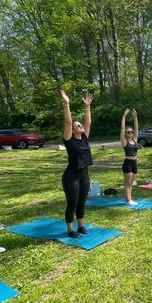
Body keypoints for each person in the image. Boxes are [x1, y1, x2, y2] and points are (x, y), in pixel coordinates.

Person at [60, 90, 93, 238]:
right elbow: (68, 122)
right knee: (72, 203)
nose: (80, 126)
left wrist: (87, 107)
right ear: (72, 131)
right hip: (71, 176)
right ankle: (70, 230)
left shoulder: (84, 138)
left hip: (84, 174)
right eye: (77, 125)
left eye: (80, 124)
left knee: (82, 202)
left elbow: (88, 122)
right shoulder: (69, 140)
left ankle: (80, 226)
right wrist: (67, 104)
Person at [121, 108, 141, 205]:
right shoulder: (124, 142)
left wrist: (135, 117)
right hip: (127, 163)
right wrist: (124, 116)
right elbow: (122, 128)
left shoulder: (135, 140)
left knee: (131, 183)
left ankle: (129, 199)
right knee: (127, 184)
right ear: (125, 133)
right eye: (128, 132)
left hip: (134, 163)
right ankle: (128, 200)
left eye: (131, 132)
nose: (131, 133)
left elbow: (137, 128)